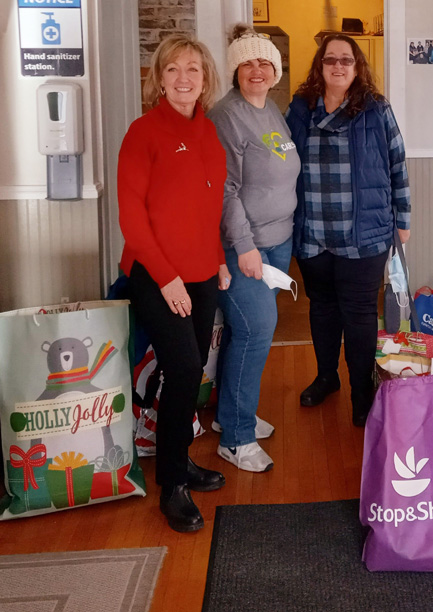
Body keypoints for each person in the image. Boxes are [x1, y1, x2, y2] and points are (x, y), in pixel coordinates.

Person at [117, 33, 229, 533]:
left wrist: (221, 259)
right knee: (183, 368)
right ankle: (172, 486)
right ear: (159, 78)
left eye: (193, 69)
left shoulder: (208, 132)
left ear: (205, 79)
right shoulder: (142, 133)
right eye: (173, 69)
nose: (184, 78)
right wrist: (167, 280)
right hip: (155, 275)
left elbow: (208, 209)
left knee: (190, 370)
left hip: (204, 273)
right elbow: (132, 220)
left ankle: (179, 462)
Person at [285, 33, 411, 427]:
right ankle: (326, 377)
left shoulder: (376, 110)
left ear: (357, 68)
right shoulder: (300, 110)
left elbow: (397, 163)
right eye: (330, 60)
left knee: (358, 317)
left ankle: (362, 391)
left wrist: (402, 218)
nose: (338, 66)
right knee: (321, 310)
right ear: (319, 67)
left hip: (366, 233)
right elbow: (280, 162)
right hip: (313, 230)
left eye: (346, 60)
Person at [206, 24, 300, 472]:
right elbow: (223, 189)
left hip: (278, 241)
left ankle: (232, 415)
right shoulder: (226, 115)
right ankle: (236, 438)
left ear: (276, 71)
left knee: (250, 334)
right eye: (247, 63)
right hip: (245, 247)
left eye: (264, 62)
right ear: (235, 71)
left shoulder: (271, 110)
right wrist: (243, 246)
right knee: (255, 331)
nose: (256, 70)